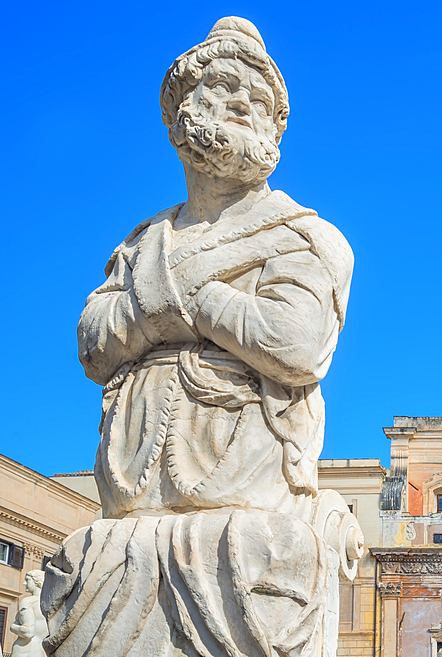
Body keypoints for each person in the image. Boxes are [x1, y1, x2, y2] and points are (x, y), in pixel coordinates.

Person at [42, 17, 358, 657]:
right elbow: (91, 342)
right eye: (221, 88)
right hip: (133, 504)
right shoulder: (140, 244)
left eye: (261, 102)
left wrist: (172, 300)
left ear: (274, 132)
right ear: (179, 116)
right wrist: (193, 310)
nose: (243, 103)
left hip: (243, 500)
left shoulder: (306, 237)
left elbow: (295, 343)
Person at [10, 571, 47, 657]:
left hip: (24, 651)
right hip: (41, 652)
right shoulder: (49, 605)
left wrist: (13, 627)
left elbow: (28, 632)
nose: (24, 583)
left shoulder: (28, 602)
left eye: (27, 580)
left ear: (37, 582)